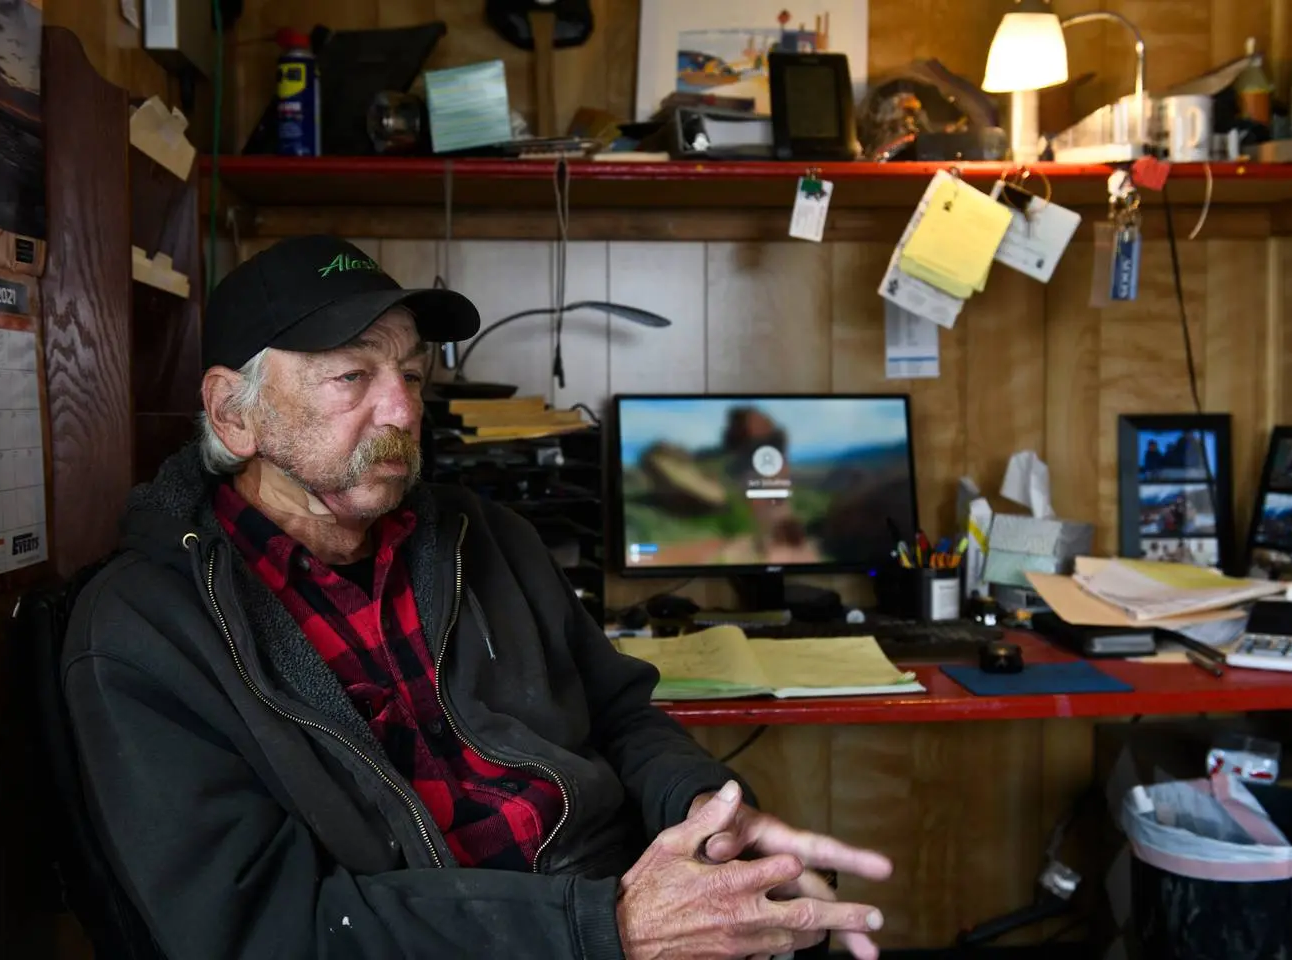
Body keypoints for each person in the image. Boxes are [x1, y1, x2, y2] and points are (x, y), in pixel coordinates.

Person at [63, 236, 893, 960]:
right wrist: (609, 931)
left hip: (615, 909)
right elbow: (263, 931)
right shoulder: (147, 629)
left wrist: (706, 814)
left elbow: (621, 716)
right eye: (352, 374)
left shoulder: (483, 536)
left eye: (413, 374)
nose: (402, 410)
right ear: (232, 414)